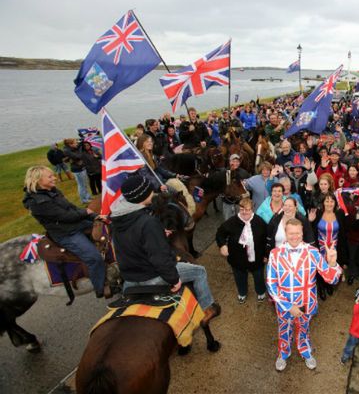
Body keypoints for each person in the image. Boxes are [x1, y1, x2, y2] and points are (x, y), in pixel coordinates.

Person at [110, 175, 221, 328]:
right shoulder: (148, 223)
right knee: (199, 271)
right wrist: (174, 279)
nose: (153, 192)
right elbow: (159, 259)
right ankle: (207, 308)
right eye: (150, 190)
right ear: (143, 195)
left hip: (129, 279)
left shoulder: (117, 220)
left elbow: (133, 240)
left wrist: (157, 233)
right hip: (151, 276)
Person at [266, 218, 342, 371]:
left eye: (298, 233)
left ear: (303, 233)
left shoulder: (312, 252)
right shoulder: (275, 254)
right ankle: (283, 353)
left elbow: (331, 279)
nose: (294, 236)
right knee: (284, 330)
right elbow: (271, 283)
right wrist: (288, 306)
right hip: (284, 305)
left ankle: (305, 351)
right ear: (285, 234)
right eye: (291, 233)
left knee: (303, 330)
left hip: (306, 304)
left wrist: (332, 263)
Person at [22, 166, 107, 297]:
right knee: (93, 258)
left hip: (76, 224)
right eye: (50, 177)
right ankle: (101, 288)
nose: (54, 178)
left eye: (53, 175)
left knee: (107, 230)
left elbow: (71, 208)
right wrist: (86, 212)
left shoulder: (52, 191)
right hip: (66, 233)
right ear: (38, 180)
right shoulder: (37, 202)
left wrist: (94, 216)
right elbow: (65, 216)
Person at [215, 198, 267, 304]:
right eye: (242, 209)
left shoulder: (259, 221)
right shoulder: (232, 222)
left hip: (257, 257)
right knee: (240, 277)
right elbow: (220, 233)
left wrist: (266, 254)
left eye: (247, 209)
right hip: (237, 258)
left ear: (252, 209)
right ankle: (242, 292)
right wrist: (222, 245)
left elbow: (266, 239)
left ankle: (261, 292)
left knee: (258, 276)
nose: (244, 212)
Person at [309, 193, 349, 300]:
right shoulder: (317, 213)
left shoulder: (340, 213)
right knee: (320, 267)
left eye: (332, 201)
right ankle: (321, 286)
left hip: (335, 247)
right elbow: (310, 230)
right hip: (320, 247)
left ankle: (329, 284)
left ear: (335, 203)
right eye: (327, 201)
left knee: (331, 266)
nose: (329, 203)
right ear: (323, 203)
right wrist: (310, 221)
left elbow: (344, 232)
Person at [63, 138, 92, 204]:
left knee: (85, 184)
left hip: (81, 167)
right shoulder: (67, 151)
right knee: (81, 185)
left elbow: (78, 149)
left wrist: (81, 143)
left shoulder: (72, 148)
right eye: (75, 143)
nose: (77, 144)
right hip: (77, 170)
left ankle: (87, 196)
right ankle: (84, 200)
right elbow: (78, 156)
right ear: (70, 144)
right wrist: (80, 149)